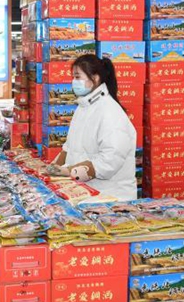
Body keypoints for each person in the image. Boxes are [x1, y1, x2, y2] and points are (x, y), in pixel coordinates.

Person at [51, 55, 138, 201]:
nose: (74, 82)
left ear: (95, 78)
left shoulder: (110, 112)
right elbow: (69, 148)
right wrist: (53, 168)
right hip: (86, 193)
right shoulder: (83, 107)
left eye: (78, 77)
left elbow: (110, 159)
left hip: (111, 198)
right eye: (73, 77)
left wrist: (69, 171)